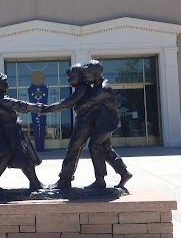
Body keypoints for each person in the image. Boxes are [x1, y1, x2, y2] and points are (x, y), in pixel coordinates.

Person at [41, 61, 132, 190]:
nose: (85, 78)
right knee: (106, 149)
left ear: (94, 73)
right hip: (100, 123)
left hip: (105, 124)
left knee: (94, 146)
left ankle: (99, 180)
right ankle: (123, 173)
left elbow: (82, 105)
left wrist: (49, 108)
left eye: (87, 75)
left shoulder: (103, 88)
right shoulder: (94, 86)